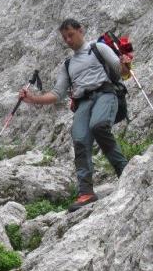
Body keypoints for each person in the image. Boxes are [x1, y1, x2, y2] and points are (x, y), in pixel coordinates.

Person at [19, 18, 130, 212]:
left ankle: (125, 171)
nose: (68, 40)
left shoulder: (99, 48)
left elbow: (121, 72)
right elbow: (57, 94)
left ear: (81, 30)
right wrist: (32, 98)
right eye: (65, 38)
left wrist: (126, 64)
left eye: (70, 35)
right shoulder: (68, 64)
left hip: (105, 93)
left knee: (99, 126)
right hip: (83, 102)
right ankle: (86, 192)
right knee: (79, 139)